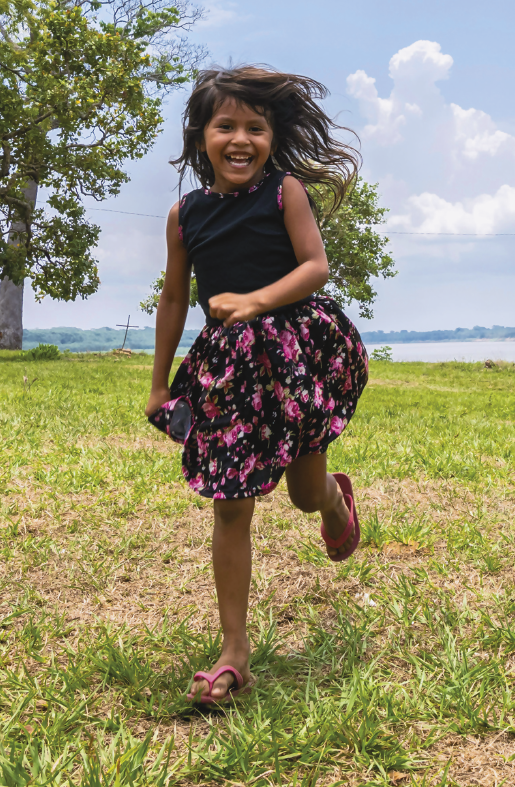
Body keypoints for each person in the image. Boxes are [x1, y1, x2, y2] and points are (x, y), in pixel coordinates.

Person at [146, 66, 369, 702]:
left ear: (271, 138)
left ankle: (333, 501)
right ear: (201, 137)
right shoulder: (184, 214)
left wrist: (256, 300)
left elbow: (316, 267)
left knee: (302, 495)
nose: (241, 139)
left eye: (255, 127)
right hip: (230, 367)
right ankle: (234, 651)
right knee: (231, 502)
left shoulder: (284, 192)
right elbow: (171, 301)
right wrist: (159, 383)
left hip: (298, 352)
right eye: (226, 126)